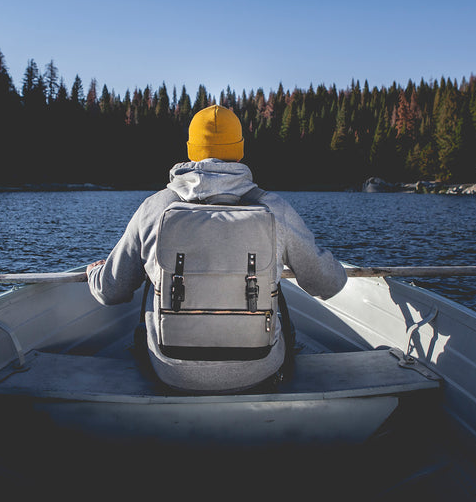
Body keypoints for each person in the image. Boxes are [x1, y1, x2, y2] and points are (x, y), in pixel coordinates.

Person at [87, 104, 347, 392]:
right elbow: (328, 283)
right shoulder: (274, 209)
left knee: (154, 278)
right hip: (259, 369)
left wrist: (94, 273)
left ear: (190, 149)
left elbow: (110, 291)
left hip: (170, 372)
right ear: (240, 150)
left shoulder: (155, 208)